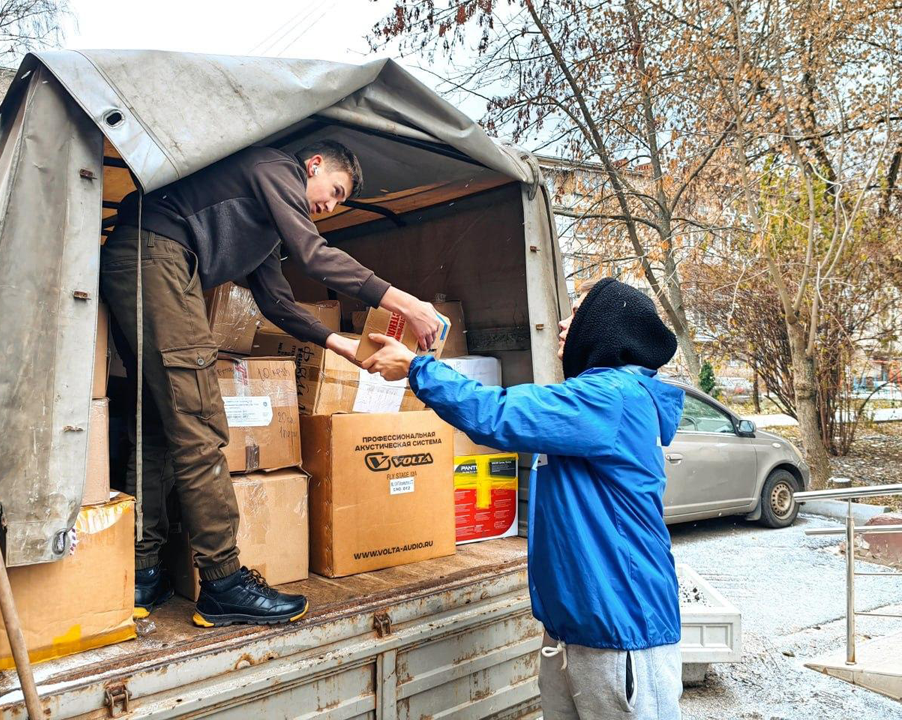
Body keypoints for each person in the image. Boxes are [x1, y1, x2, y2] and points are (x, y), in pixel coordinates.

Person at [103, 139, 440, 627]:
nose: (330, 205)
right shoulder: (275, 166)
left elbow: (277, 303)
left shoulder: (264, 223)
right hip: (157, 255)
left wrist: (341, 346)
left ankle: (144, 573)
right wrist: (404, 303)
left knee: (156, 421)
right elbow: (313, 254)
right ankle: (222, 583)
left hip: (145, 258)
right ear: (314, 164)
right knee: (200, 425)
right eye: (335, 191)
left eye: (339, 203)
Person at [363, 277, 686, 719]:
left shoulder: (612, 398)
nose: (561, 323)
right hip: (573, 630)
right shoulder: (599, 398)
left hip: (620, 630)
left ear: (605, 329)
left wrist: (418, 368)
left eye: (576, 315)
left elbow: (498, 414)